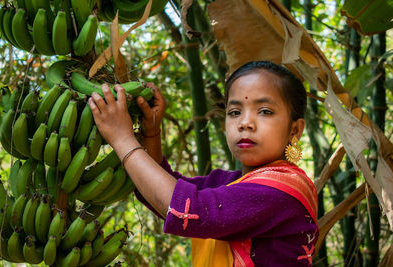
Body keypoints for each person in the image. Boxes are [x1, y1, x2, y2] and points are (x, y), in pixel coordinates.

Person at [88, 61, 318, 266]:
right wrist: (151, 134)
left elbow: (187, 209)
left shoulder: (282, 191)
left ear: (294, 130)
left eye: (265, 111)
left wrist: (122, 139)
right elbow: (164, 192)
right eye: (235, 112)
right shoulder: (229, 183)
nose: (245, 123)